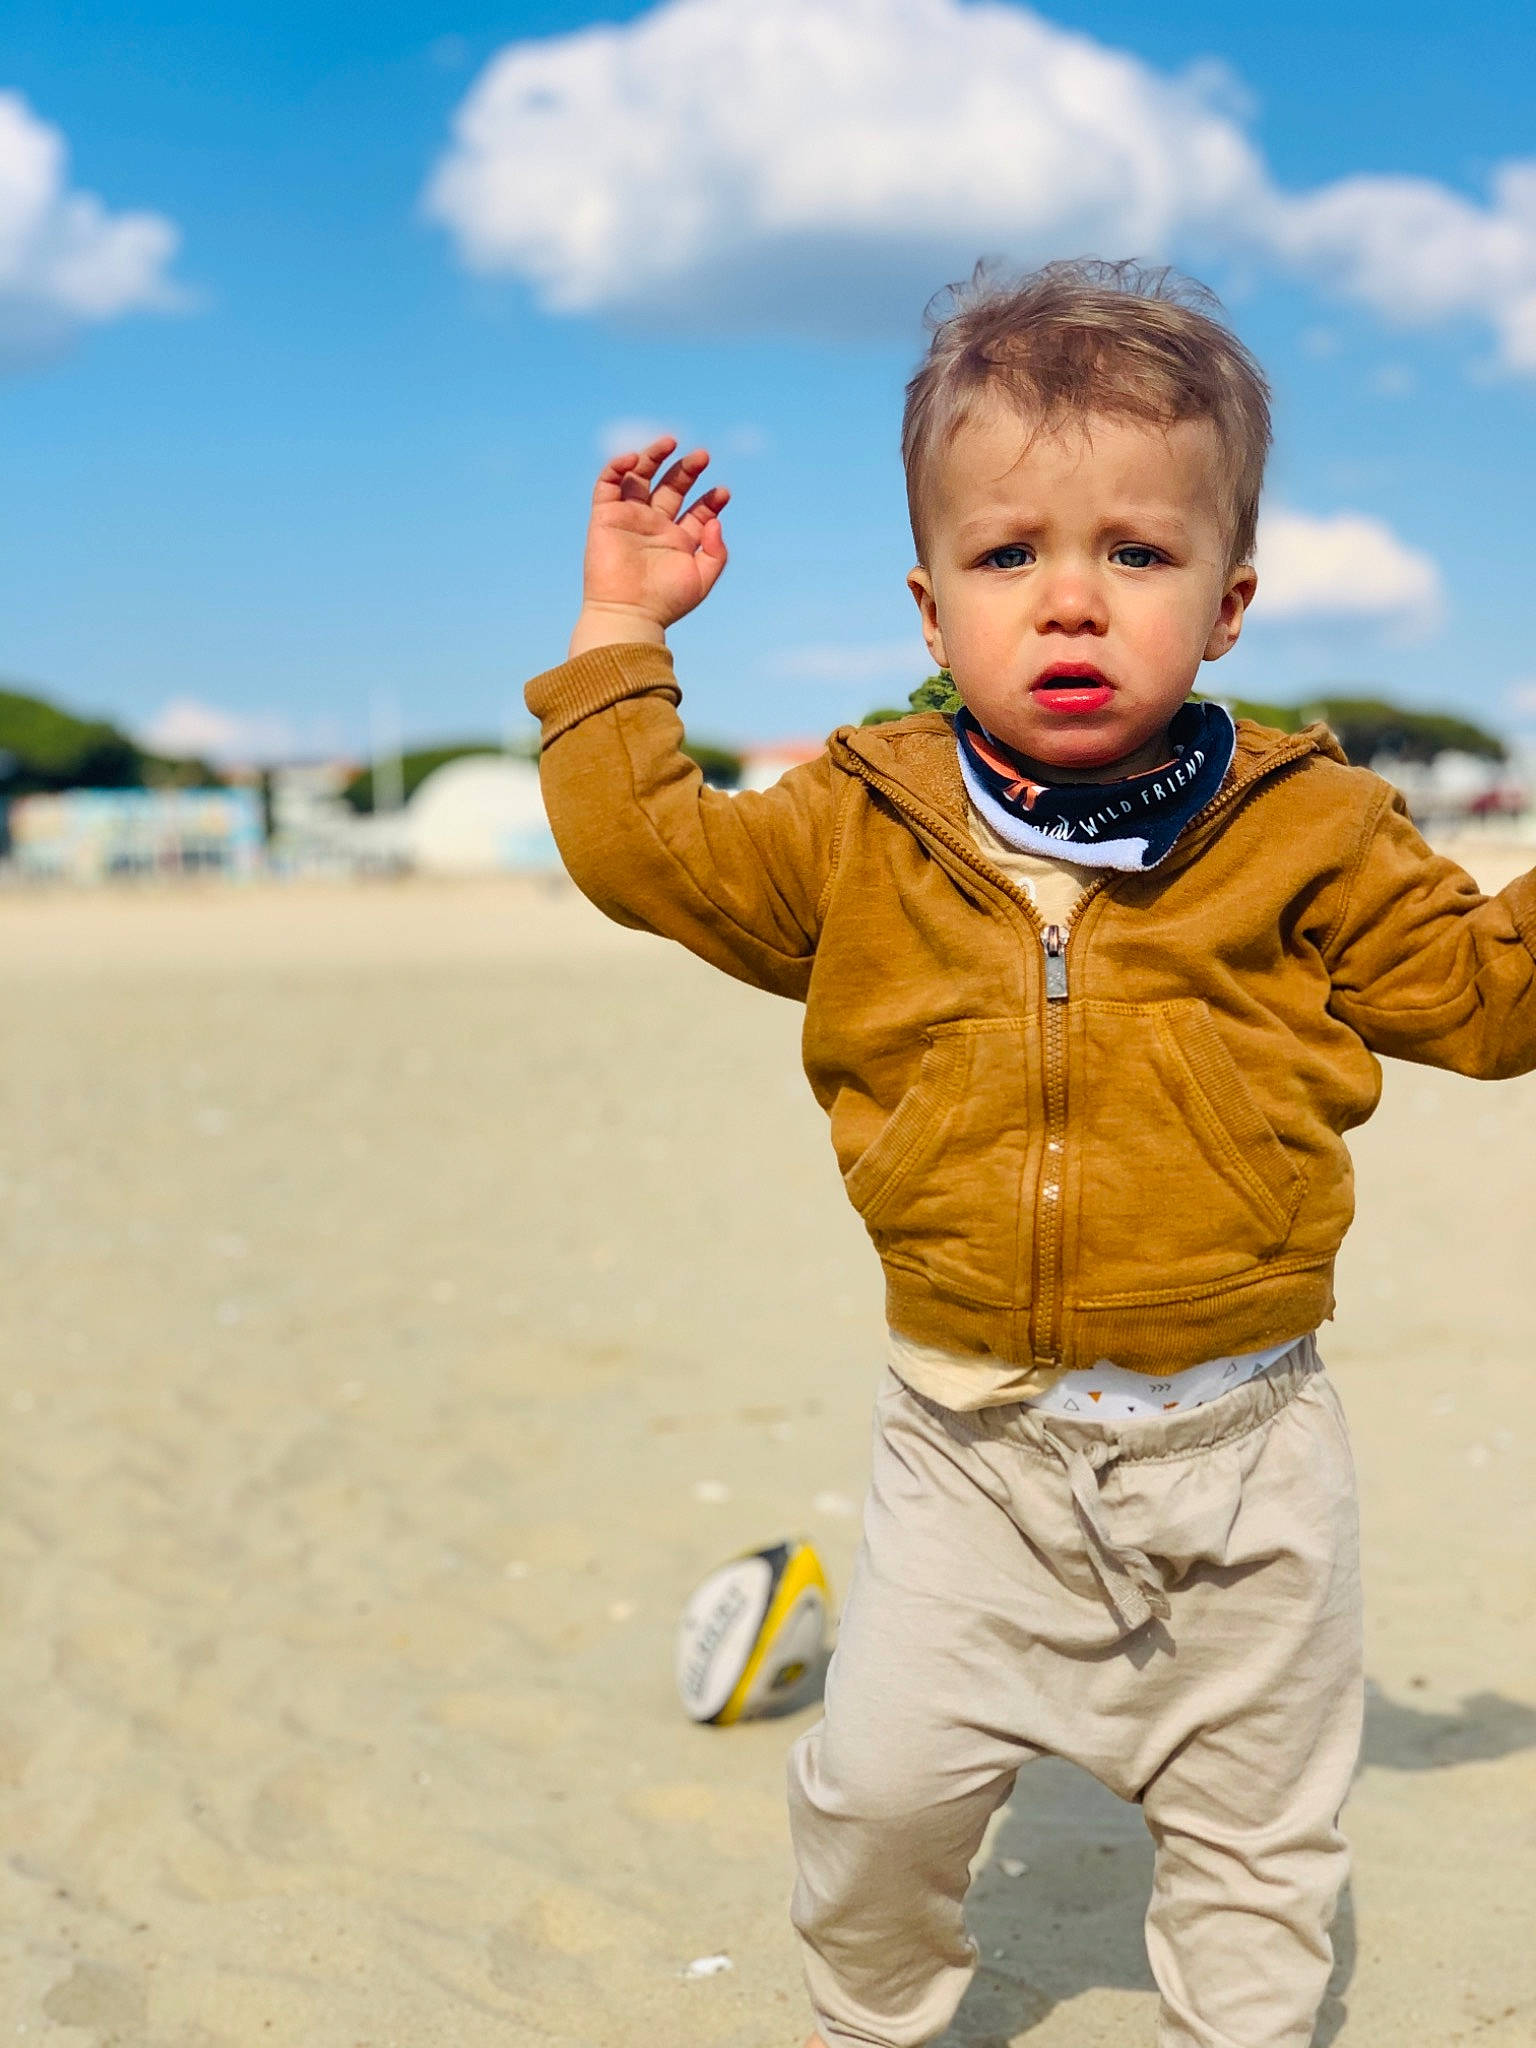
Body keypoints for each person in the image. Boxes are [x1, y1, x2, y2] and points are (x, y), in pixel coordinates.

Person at [523, 260, 1536, 2048]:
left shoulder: (1306, 827)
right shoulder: (871, 814)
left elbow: (1483, 995)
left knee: (1256, 1847)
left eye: (1136, 556)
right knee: (879, 1807)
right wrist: (624, 635)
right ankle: (876, 2016)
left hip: (1250, 1455)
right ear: (932, 595)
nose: (1071, 600)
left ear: (1226, 604)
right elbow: (652, 855)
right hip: (971, 1452)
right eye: (1010, 557)